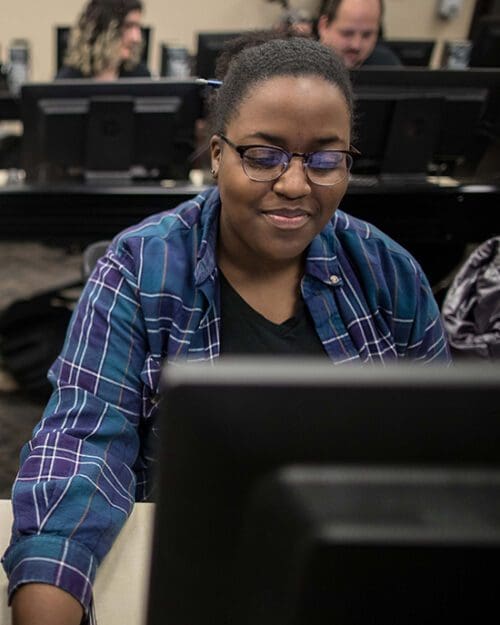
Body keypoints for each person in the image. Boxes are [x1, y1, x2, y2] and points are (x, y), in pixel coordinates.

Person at [2, 36, 450, 625]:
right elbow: (83, 447)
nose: (294, 185)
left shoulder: (388, 272)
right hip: (187, 557)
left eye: (325, 159)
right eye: (263, 156)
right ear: (216, 154)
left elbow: (439, 456)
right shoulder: (141, 267)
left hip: (345, 566)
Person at [56, 0, 150, 80]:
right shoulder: (68, 81)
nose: (137, 38)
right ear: (101, 31)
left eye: (138, 27)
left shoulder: (141, 77)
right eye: (128, 26)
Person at [317, 0, 401, 68]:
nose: (356, 45)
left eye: (367, 35)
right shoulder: (305, 69)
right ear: (323, 26)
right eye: (347, 33)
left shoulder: (387, 66)